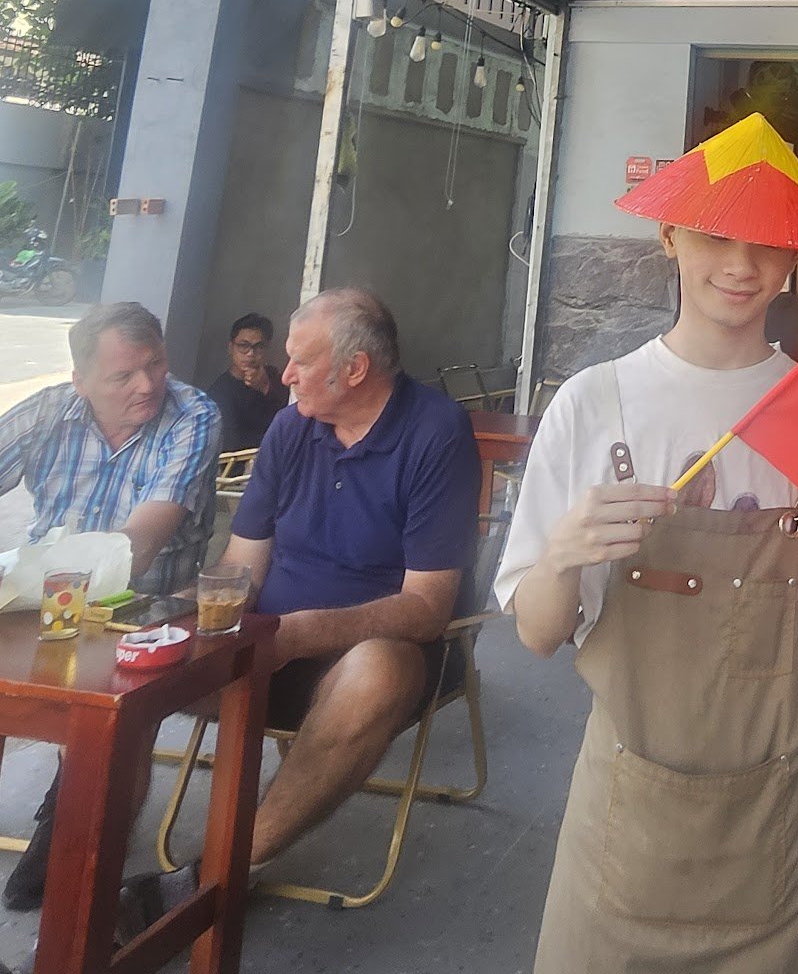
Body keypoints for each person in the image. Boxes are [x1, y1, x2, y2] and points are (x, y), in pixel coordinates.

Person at [497, 113, 798, 974]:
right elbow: (536, 634)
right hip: (624, 822)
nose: (741, 265)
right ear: (669, 238)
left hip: (780, 824)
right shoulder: (595, 403)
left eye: (768, 243)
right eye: (716, 236)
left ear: (795, 259)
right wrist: (564, 552)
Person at [117, 286, 480, 930]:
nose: (282, 375)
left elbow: (427, 608)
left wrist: (299, 634)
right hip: (270, 643)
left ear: (355, 369)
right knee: (132, 659)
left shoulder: (434, 432)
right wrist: (179, 617)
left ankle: (216, 875)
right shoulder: (291, 429)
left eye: (301, 361)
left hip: (379, 657)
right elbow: (242, 563)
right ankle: (81, 855)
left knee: (376, 671)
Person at [0, 300, 221, 911]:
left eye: (155, 365)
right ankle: (70, 805)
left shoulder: (192, 414)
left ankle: (80, 842)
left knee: (119, 708)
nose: (147, 385)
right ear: (81, 381)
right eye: (123, 375)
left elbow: (139, 546)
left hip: (148, 604)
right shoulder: (48, 411)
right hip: (46, 598)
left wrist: (48, 580)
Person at [205, 312, 289, 453]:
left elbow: (291, 413)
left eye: (258, 346)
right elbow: (231, 445)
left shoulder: (274, 377)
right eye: (243, 346)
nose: (250, 353)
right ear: (231, 348)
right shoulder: (220, 392)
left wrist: (265, 387)